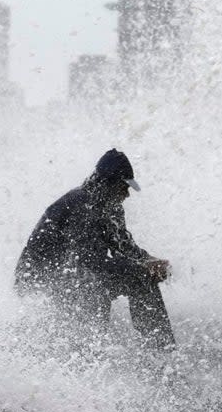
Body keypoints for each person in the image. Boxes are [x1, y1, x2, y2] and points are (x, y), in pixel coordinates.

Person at [15, 148, 175, 349]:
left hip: (71, 275)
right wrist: (141, 269)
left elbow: (122, 244)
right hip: (40, 286)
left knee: (141, 276)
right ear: (108, 183)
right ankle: (92, 354)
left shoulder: (108, 204)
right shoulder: (82, 206)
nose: (127, 194)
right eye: (124, 187)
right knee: (116, 279)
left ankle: (161, 353)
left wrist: (149, 261)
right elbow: (90, 263)